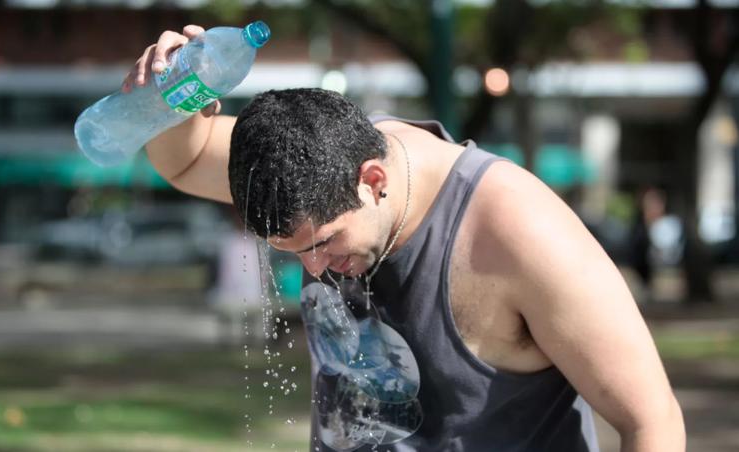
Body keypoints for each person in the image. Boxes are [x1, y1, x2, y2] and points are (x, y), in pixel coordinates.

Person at [127, 25, 685, 452]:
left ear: (373, 181)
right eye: (294, 255)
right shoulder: (308, 160)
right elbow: (189, 161)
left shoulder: (520, 231)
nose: (317, 269)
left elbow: (651, 419)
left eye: (325, 242)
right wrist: (168, 100)